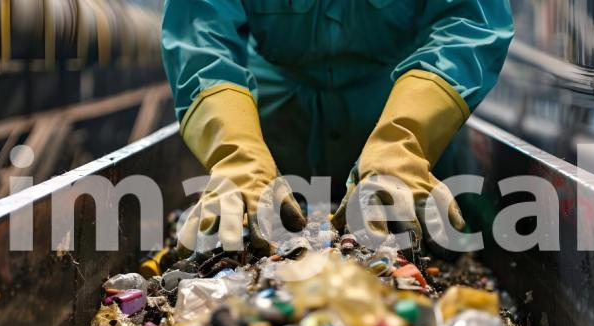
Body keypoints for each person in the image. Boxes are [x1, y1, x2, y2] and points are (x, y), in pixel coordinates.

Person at [161, 0, 514, 258]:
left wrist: (406, 139)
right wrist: (237, 153)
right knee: (257, 240)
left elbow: (469, 20)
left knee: (437, 243)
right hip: (275, 123)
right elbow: (200, 33)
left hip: (403, 105)